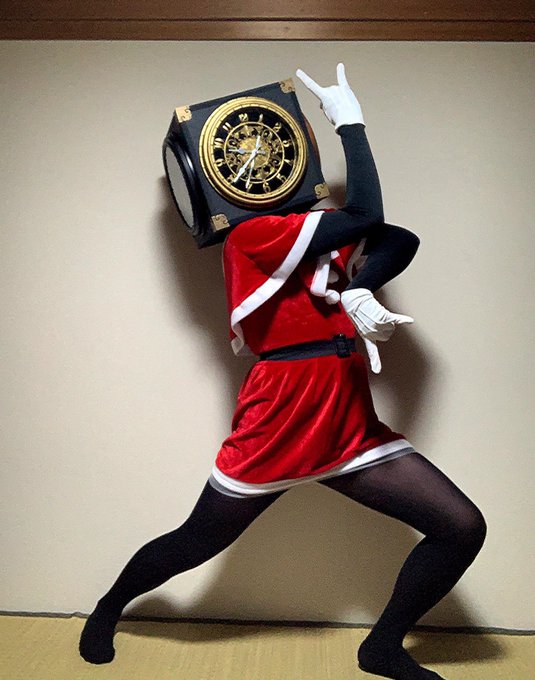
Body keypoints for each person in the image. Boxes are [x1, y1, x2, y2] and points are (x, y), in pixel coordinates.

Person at [79, 64, 487, 680]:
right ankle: (110, 607)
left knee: (461, 527)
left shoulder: (315, 236)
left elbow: (399, 238)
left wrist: (361, 287)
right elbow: (367, 211)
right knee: (197, 540)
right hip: (282, 412)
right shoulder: (256, 235)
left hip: (347, 417)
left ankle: (381, 648)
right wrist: (351, 125)